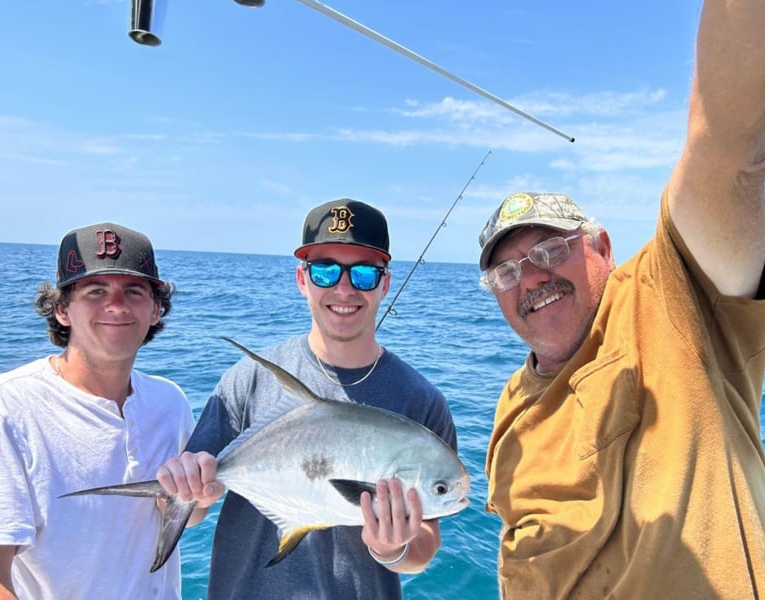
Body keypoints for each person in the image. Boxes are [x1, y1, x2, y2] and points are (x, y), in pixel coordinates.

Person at [477, 2, 765, 599]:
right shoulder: (510, 404)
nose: (530, 278)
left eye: (552, 250)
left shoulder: (674, 293)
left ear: (602, 246)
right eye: (506, 271)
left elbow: (733, 147)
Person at [156, 198, 458, 599]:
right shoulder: (248, 380)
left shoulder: (421, 402)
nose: (344, 288)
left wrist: (393, 547)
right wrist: (185, 492)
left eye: (365, 273)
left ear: (385, 283)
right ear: (302, 280)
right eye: (325, 271)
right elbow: (188, 510)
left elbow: (423, 548)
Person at [0, 223, 195, 599]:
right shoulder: (0, 411)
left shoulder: (170, 401)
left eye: (133, 291)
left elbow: (188, 514)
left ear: (156, 310)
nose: (116, 304)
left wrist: (198, 494)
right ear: (61, 309)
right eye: (95, 290)